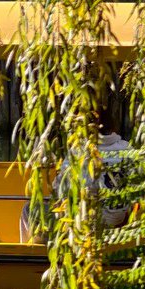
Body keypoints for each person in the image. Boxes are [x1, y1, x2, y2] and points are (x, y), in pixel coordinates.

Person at [19, 100, 132, 241]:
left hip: (85, 224)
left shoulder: (80, 152)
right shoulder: (128, 149)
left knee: (29, 209)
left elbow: (59, 190)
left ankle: (32, 254)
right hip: (117, 222)